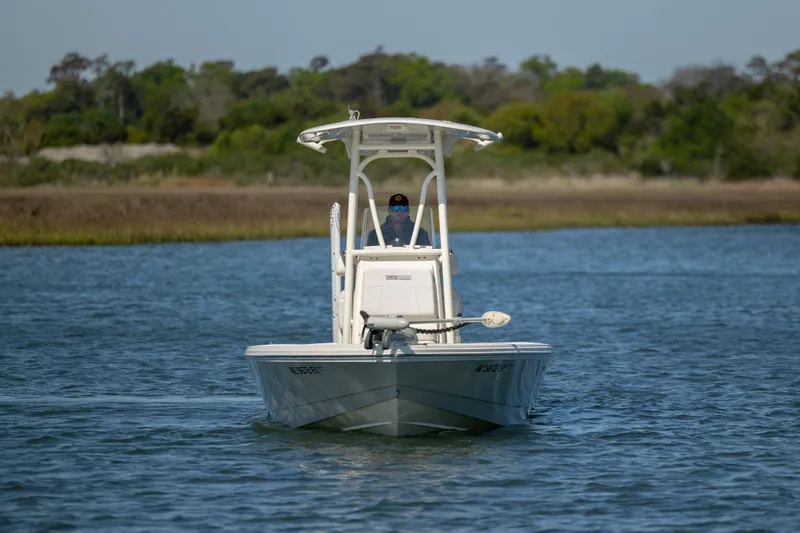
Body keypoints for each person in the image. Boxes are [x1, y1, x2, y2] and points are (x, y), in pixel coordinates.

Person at [366, 193, 431, 247]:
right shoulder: (375, 234)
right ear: (389, 210)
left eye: (403, 208)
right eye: (395, 208)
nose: (400, 212)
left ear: (408, 211)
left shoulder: (420, 234)